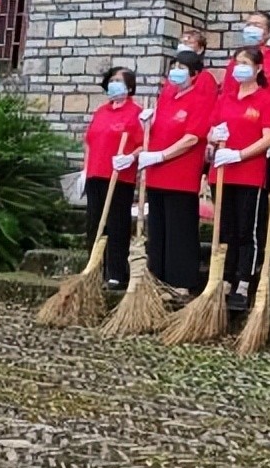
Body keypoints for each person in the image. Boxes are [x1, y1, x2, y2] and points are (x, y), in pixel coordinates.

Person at [136, 50, 216, 299]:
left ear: (194, 75)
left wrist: (161, 156)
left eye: (182, 68)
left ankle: (180, 280)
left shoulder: (200, 100)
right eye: (173, 67)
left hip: (181, 173)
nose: (176, 72)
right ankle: (157, 277)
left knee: (179, 228)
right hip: (157, 174)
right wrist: (145, 124)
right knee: (158, 227)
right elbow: (158, 130)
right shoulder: (167, 96)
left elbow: (192, 138)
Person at [209, 47, 270, 310]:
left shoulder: (265, 99)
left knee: (246, 230)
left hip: (249, 174)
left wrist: (239, 155)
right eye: (236, 62)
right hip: (222, 173)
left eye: (245, 63)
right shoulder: (225, 98)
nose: (239, 67)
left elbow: (269, 137)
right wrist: (213, 140)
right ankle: (225, 277)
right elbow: (213, 129)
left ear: (258, 69)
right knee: (226, 228)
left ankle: (243, 281)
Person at [79, 67, 144, 289]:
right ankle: (94, 267)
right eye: (112, 80)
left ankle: (116, 271)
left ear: (129, 87)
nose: (113, 84)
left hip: (119, 176)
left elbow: (143, 143)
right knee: (94, 222)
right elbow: (88, 141)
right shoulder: (101, 111)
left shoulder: (135, 112)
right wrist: (85, 169)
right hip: (96, 173)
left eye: (119, 80)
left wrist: (129, 157)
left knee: (117, 223)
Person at [177, 27, 220, 99]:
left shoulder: (205, 79)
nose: (184, 46)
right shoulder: (174, 76)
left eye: (189, 43)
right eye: (182, 43)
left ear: (200, 49)